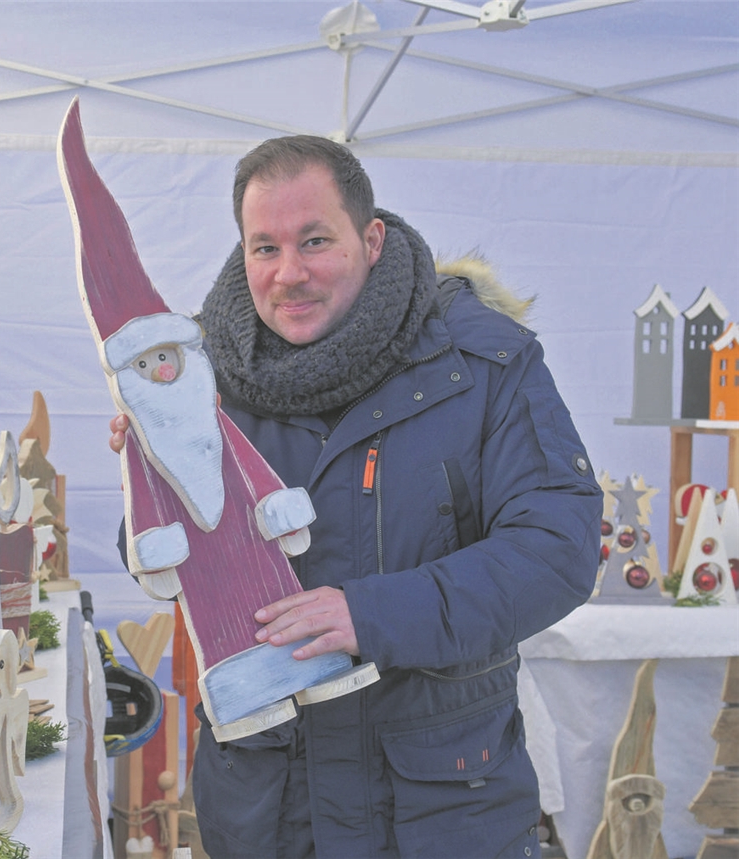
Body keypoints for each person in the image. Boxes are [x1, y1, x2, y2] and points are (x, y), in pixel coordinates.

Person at [108, 135, 601, 859]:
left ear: (371, 239)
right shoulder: (194, 375)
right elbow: (161, 565)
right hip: (271, 810)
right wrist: (149, 476)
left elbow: (557, 549)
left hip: (437, 808)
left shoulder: (482, 362)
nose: (289, 274)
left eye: (315, 241)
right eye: (265, 248)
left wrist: (368, 613)